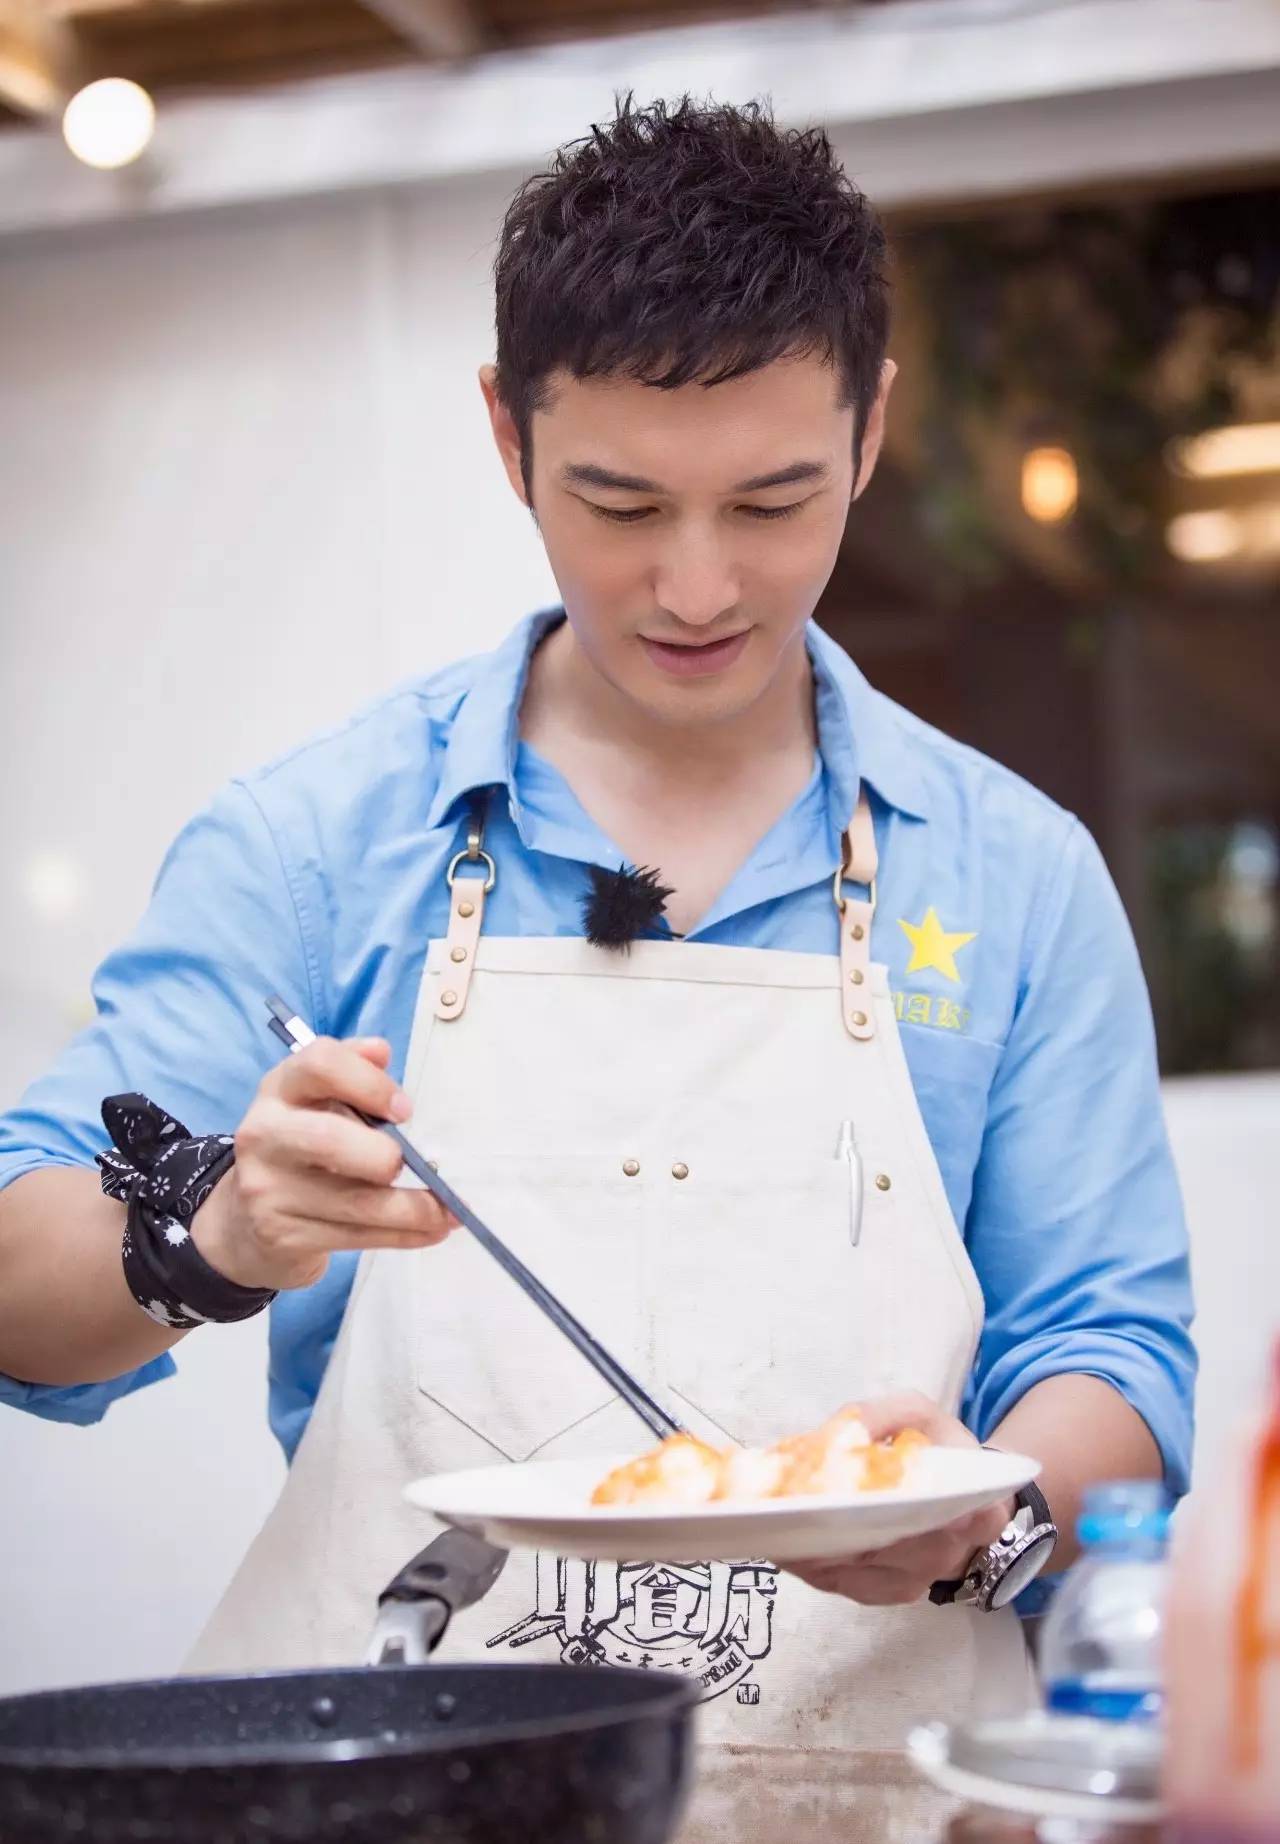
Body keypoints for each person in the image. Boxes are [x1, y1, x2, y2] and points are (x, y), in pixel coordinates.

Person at [0, 96, 1194, 1843]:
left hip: (888, 1792)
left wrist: (979, 1513)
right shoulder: (323, 846)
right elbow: (21, 1268)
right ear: (507, 434)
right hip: (423, 1795)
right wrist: (215, 1236)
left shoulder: (1011, 878)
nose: (696, 585)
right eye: (618, 500)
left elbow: (1113, 1354)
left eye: (775, 499)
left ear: (872, 428)